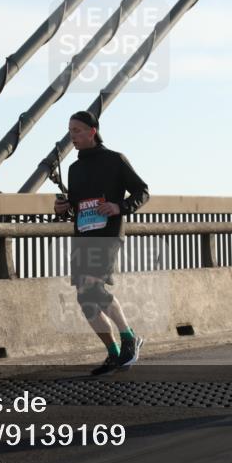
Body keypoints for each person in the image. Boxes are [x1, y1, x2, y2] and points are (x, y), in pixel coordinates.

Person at [54, 111, 150, 375]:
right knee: (85, 300)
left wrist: (120, 207)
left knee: (94, 289)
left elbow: (143, 191)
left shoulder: (114, 160)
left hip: (107, 235)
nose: (72, 136)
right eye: (70, 131)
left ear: (92, 131)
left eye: (77, 130)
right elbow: (76, 207)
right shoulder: (74, 169)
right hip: (83, 235)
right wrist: (62, 208)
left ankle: (129, 338)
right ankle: (113, 353)